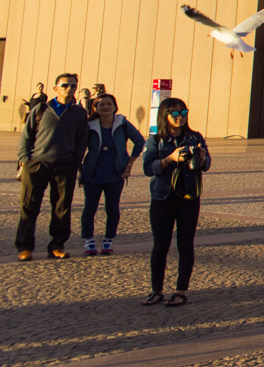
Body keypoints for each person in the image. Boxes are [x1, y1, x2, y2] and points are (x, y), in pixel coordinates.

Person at [140, 97, 210, 307]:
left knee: (185, 244)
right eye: (175, 114)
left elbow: (206, 165)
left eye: (183, 113)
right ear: (165, 115)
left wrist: (202, 156)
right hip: (162, 197)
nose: (180, 118)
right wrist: (170, 159)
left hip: (189, 197)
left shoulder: (194, 137)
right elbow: (147, 168)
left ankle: (181, 290)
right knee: (160, 245)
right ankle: (156, 290)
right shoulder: (156, 140)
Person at [15, 73, 90, 261]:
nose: (69, 89)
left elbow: (82, 139)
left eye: (73, 86)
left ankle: (57, 245)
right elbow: (26, 135)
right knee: (29, 206)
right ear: (55, 88)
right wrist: (25, 159)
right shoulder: (41, 109)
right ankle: (25, 247)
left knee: (62, 207)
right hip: (37, 163)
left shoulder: (79, 112)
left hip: (65, 165)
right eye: (65, 85)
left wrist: (76, 160)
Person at [79, 93, 143, 257]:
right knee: (89, 209)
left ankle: (108, 240)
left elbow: (140, 141)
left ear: (115, 107)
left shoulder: (121, 123)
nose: (105, 107)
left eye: (109, 104)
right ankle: (89, 240)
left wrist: (129, 163)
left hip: (115, 174)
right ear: (95, 108)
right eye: (101, 104)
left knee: (112, 208)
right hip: (93, 174)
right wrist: (80, 170)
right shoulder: (89, 125)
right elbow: (78, 146)